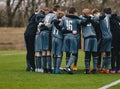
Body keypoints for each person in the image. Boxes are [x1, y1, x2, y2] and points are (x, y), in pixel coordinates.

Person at [39, 5, 61, 73]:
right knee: (48, 50)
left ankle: (44, 68)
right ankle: (49, 68)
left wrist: (42, 26)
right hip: (47, 33)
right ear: (57, 10)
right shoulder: (54, 15)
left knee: (43, 50)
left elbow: (41, 23)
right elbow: (51, 26)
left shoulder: (47, 15)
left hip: (42, 32)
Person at [59, 7, 81, 74]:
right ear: (74, 12)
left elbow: (60, 27)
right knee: (74, 53)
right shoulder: (75, 18)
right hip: (73, 37)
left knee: (67, 53)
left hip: (66, 37)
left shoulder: (64, 18)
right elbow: (82, 23)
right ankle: (67, 66)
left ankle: (67, 67)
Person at [93, 8, 112, 74]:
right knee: (108, 52)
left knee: (98, 51)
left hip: (104, 36)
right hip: (110, 36)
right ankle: (106, 69)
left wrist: (95, 16)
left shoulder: (100, 17)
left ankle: (98, 68)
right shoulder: (108, 16)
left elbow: (95, 19)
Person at [80, 9, 98, 74]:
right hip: (93, 37)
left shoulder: (91, 18)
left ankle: (89, 69)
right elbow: (83, 23)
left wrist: (90, 18)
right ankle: (93, 69)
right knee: (93, 53)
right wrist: (89, 18)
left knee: (89, 53)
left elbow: (96, 25)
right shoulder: (84, 18)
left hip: (89, 37)